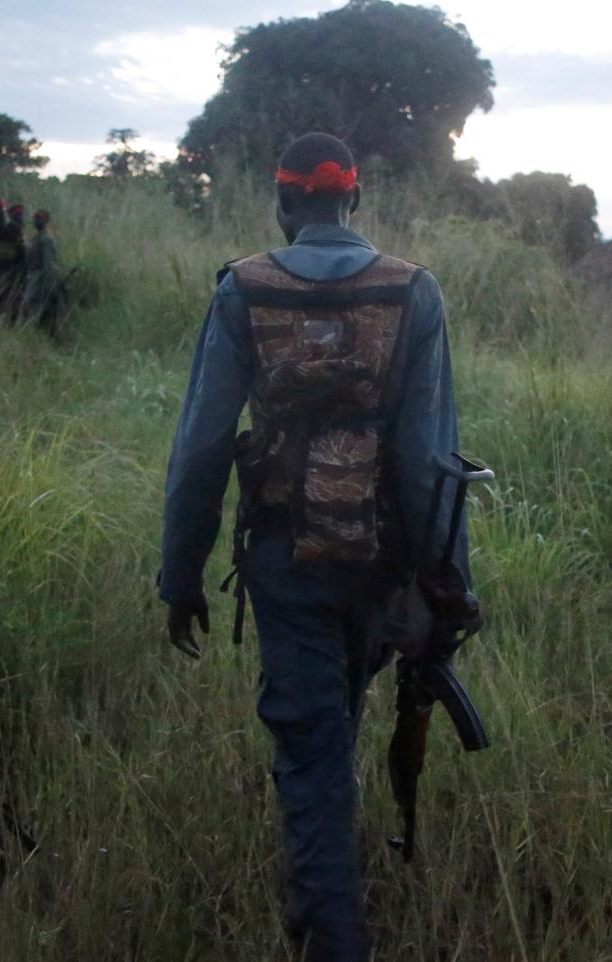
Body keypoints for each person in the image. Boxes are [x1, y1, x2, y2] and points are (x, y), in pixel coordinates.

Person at [159, 132, 467, 961]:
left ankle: (329, 930)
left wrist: (179, 574)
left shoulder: (242, 288)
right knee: (333, 720)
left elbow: (200, 448)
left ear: (285, 202)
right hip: (383, 558)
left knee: (311, 741)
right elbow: (429, 457)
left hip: (283, 554)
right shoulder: (414, 290)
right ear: (354, 200)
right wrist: (448, 584)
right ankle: (326, 878)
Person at [20, 208, 64, 334]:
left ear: (45, 221)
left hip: (40, 276)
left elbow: (48, 263)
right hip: (34, 276)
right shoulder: (38, 238)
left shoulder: (45, 239)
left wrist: (47, 284)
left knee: (28, 304)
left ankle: (35, 332)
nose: (36, 220)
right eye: (35, 218)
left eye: (39, 218)